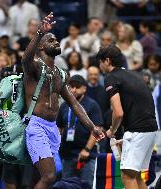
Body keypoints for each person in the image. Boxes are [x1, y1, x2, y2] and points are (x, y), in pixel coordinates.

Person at [20, 12, 105, 189]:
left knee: (51, 174)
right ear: (41, 47)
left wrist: (92, 127)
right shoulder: (34, 66)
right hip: (36, 126)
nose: (56, 42)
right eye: (51, 40)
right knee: (49, 176)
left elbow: (74, 103)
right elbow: (25, 59)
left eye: (56, 40)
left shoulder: (61, 74)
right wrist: (39, 33)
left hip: (53, 129)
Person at [96, 44, 157, 189]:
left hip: (137, 131)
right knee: (135, 175)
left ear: (107, 61)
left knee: (127, 176)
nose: (99, 65)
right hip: (150, 129)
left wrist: (112, 130)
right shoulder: (133, 74)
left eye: (100, 61)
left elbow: (118, 112)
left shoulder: (110, 78)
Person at [57, 75, 103, 187]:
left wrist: (87, 149)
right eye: (71, 87)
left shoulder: (92, 105)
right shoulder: (64, 105)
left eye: (77, 87)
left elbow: (97, 128)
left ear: (84, 89)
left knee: (86, 185)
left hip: (86, 155)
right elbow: (59, 127)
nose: (73, 90)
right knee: (66, 186)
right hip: (67, 154)